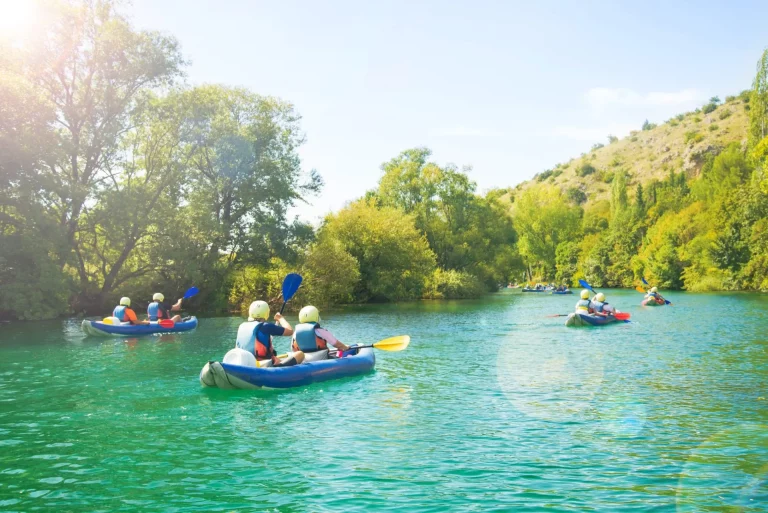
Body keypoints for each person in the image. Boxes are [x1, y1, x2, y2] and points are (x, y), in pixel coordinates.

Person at [235, 300, 304, 367]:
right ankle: (280, 367)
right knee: (300, 354)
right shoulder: (266, 326)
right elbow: (290, 331)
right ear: (266, 313)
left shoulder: (242, 326)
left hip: (243, 362)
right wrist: (280, 319)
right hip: (261, 364)